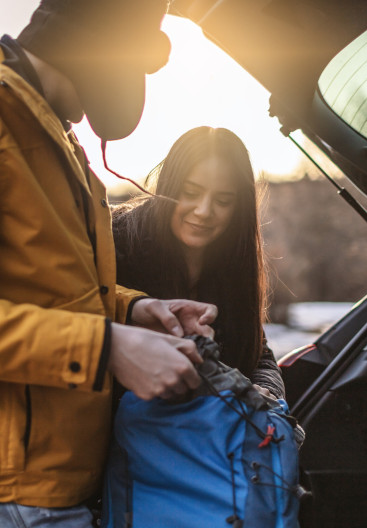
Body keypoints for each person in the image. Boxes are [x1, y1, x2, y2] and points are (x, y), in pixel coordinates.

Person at [0, 1, 219, 528]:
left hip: (70, 473)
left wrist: (133, 311)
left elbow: (49, 288)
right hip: (17, 490)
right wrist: (107, 347)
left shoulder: (53, 135)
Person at [113, 126, 285, 398]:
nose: (204, 211)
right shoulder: (118, 243)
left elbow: (258, 352)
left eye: (223, 200)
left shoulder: (235, 262)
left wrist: (267, 392)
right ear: (169, 185)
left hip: (204, 434)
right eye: (190, 193)